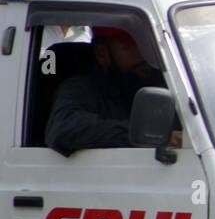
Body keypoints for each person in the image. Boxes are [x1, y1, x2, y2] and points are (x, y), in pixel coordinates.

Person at [46, 27, 179, 155]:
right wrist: (146, 135)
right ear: (102, 54)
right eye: (132, 47)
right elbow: (63, 130)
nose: (144, 55)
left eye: (148, 46)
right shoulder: (81, 89)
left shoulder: (168, 83)